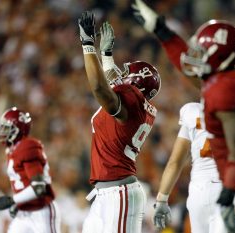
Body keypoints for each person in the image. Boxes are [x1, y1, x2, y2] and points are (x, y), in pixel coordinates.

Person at [132, 0, 235, 232]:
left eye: (203, 51)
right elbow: (191, 69)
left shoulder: (224, 89)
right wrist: (163, 32)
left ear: (216, 55)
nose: (197, 56)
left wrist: (228, 195)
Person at [78, 11, 161, 233]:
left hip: (119, 194)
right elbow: (114, 83)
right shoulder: (136, 103)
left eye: (126, 73)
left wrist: (88, 44)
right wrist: (106, 54)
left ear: (135, 83)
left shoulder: (131, 101)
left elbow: (100, 87)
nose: (121, 75)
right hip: (109, 193)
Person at [154, 102, 222, 233]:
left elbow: (175, 162)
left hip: (198, 191)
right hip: (224, 187)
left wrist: (161, 200)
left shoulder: (192, 110)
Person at [0, 107, 61, 233]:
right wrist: (19, 204)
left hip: (41, 210)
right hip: (24, 213)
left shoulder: (27, 146)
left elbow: (39, 187)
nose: (2, 131)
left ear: (18, 130)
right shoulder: (13, 150)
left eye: (6, 128)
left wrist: (12, 200)